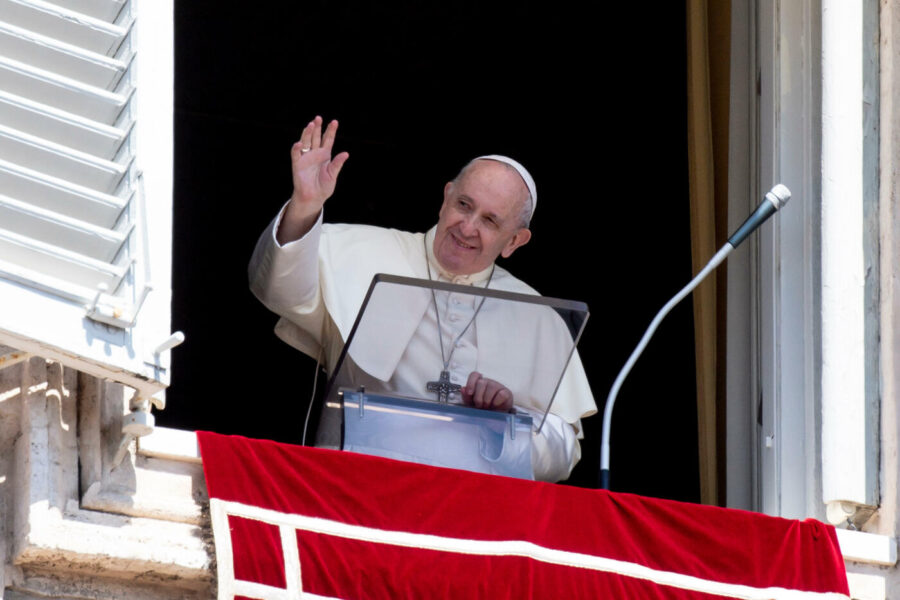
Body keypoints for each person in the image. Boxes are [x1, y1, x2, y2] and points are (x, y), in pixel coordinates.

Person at [249, 116, 596, 481]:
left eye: (490, 221)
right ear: (446, 198)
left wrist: (507, 421)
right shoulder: (365, 250)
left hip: (472, 514)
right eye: (464, 204)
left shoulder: (535, 315)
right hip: (352, 488)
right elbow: (274, 289)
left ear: (514, 241)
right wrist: (305, 206)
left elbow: (563, 452)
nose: (467, 227)